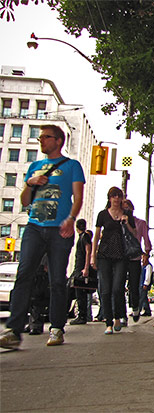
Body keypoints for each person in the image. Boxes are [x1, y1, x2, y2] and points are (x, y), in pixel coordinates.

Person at [0, 124, 85, 349]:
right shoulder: (35, 167)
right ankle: (14, 329)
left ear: (59, 141)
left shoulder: (72, 166)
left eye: (46, 137)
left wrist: (71, 218)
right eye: (40, 137)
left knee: (57, 280)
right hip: (35, 227)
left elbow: (78, 197)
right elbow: (25, 202)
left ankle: (57, 328)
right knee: (24, 274)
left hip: (59, 230)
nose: (41, 141)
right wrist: (30, 183)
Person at [91, 186, 137, 335]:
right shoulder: (103, 215)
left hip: (121, 255)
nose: (116, 199)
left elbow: (135, 233)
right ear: (109, 198)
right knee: (105, 289)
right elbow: (97, 235)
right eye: (113, 196)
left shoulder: (127, 214)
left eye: (119, 196)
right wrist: (93, 255)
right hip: (104, 254)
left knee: (118, 288)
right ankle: (108, 322)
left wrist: (127, 223)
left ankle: (118, 316)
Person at [120, 198, 151, 325]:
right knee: (119, 286)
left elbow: (146, 240)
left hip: (134, 257)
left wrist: (146, 254)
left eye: (128, 208)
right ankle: (121, 314)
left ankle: (135, 307)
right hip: (121, 258)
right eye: (124, 208)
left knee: (134, 285)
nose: (126, 210)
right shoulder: (118, 222)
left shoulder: (140, 223)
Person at [68, 219, 93, 325]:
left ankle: (82, 315)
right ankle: (80, 314)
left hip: (81, 268)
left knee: (79, 292)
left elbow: (88, 251)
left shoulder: (85, 236)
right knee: (76, 291)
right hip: (79, 268)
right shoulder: (82, 237)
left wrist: (86, 268)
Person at [25, 255, 50, 335]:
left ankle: (36, 325)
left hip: (41, 271)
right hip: (36, 270)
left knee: (37, 298)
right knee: (32, 298)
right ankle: (32, 324)